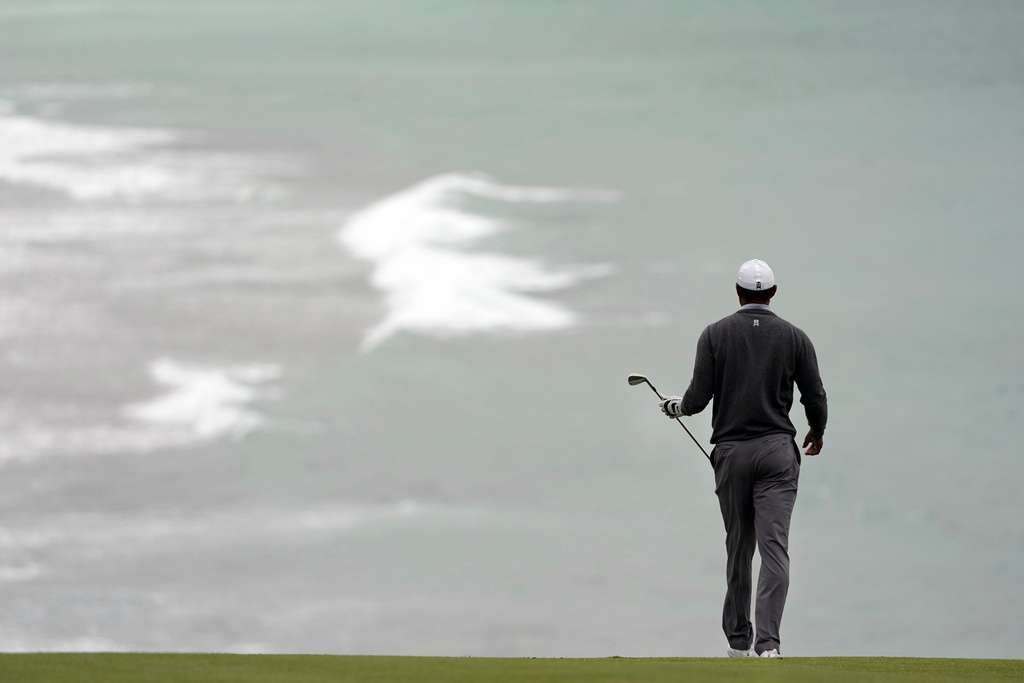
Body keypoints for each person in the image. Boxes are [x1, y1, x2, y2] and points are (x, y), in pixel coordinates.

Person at [659, 259, 827, 658]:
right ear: (772, 293)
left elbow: (697, 400)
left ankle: (738, 644)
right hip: (777, 453)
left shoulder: (715, 334)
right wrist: (817, 432)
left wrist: (674, 408)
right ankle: (768, 646)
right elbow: (814, 395)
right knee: (774, 548)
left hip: (732, 454)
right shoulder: (795, 337)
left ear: (737, 292)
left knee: (739, 548)